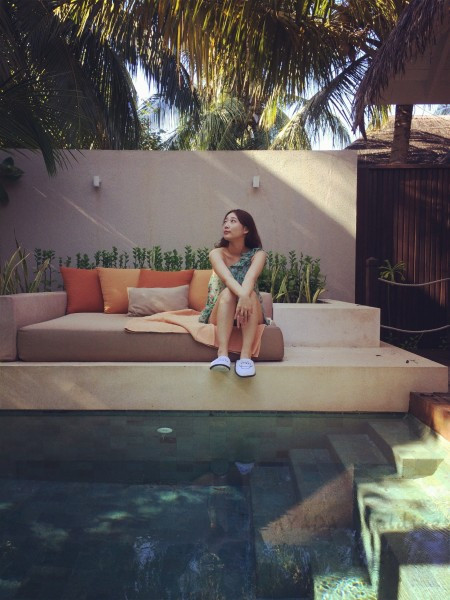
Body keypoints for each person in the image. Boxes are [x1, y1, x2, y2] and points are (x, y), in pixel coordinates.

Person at [199, 209, 267, 377]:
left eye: (232, 221)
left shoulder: (258, 254)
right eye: (225, 221)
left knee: (250, 294)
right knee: (229, 293)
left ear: (246, 229)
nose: (226, 225)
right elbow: (228, 278)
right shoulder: (216, 253)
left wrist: (245, 297)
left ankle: (246, 357)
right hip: (221, 310)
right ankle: (222, 355)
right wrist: (242, 295)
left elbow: (250, 278)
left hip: (250, 309)